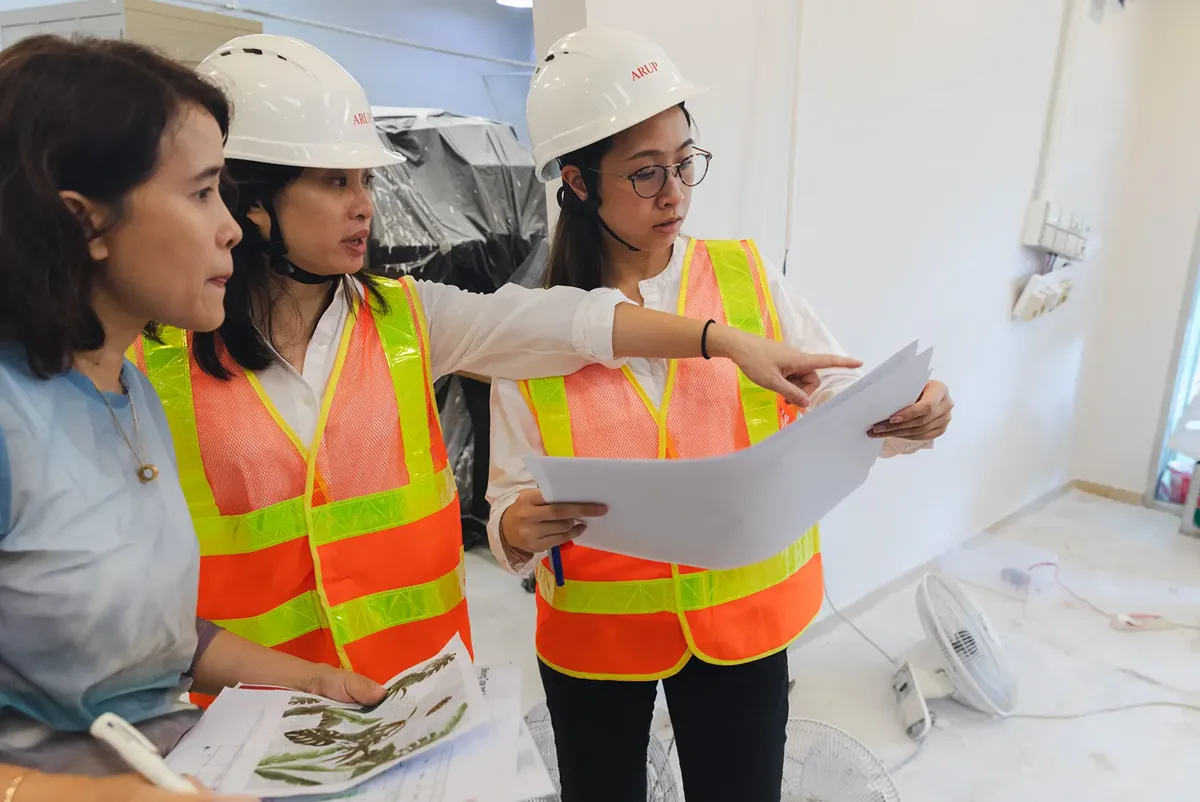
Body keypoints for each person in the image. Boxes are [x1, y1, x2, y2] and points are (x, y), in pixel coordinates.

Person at [126, 33, 859, 702]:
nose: (365, 208)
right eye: (335, 182)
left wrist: (719, 339)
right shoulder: (148, 361)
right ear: (251, 203)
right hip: (248, 717)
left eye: (367, 182)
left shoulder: (407, 318)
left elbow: (569, 323)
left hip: (413, 690)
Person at [486, 27, 955, 802]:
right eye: (644, 175)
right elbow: (506, 494)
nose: (675, 194)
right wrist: (512, 529)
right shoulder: (533, 326)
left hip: (740, 627)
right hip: (597, 640)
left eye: (683, 163)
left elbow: (829, 396)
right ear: (575, 182)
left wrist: (908, 415)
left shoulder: (743, 276)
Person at [0, 35, 387, 795]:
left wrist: (310, 681)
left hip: (177, 765)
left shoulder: (129, 393)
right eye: (202, 191)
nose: (233, 228)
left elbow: (153, 646)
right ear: (86, 223)